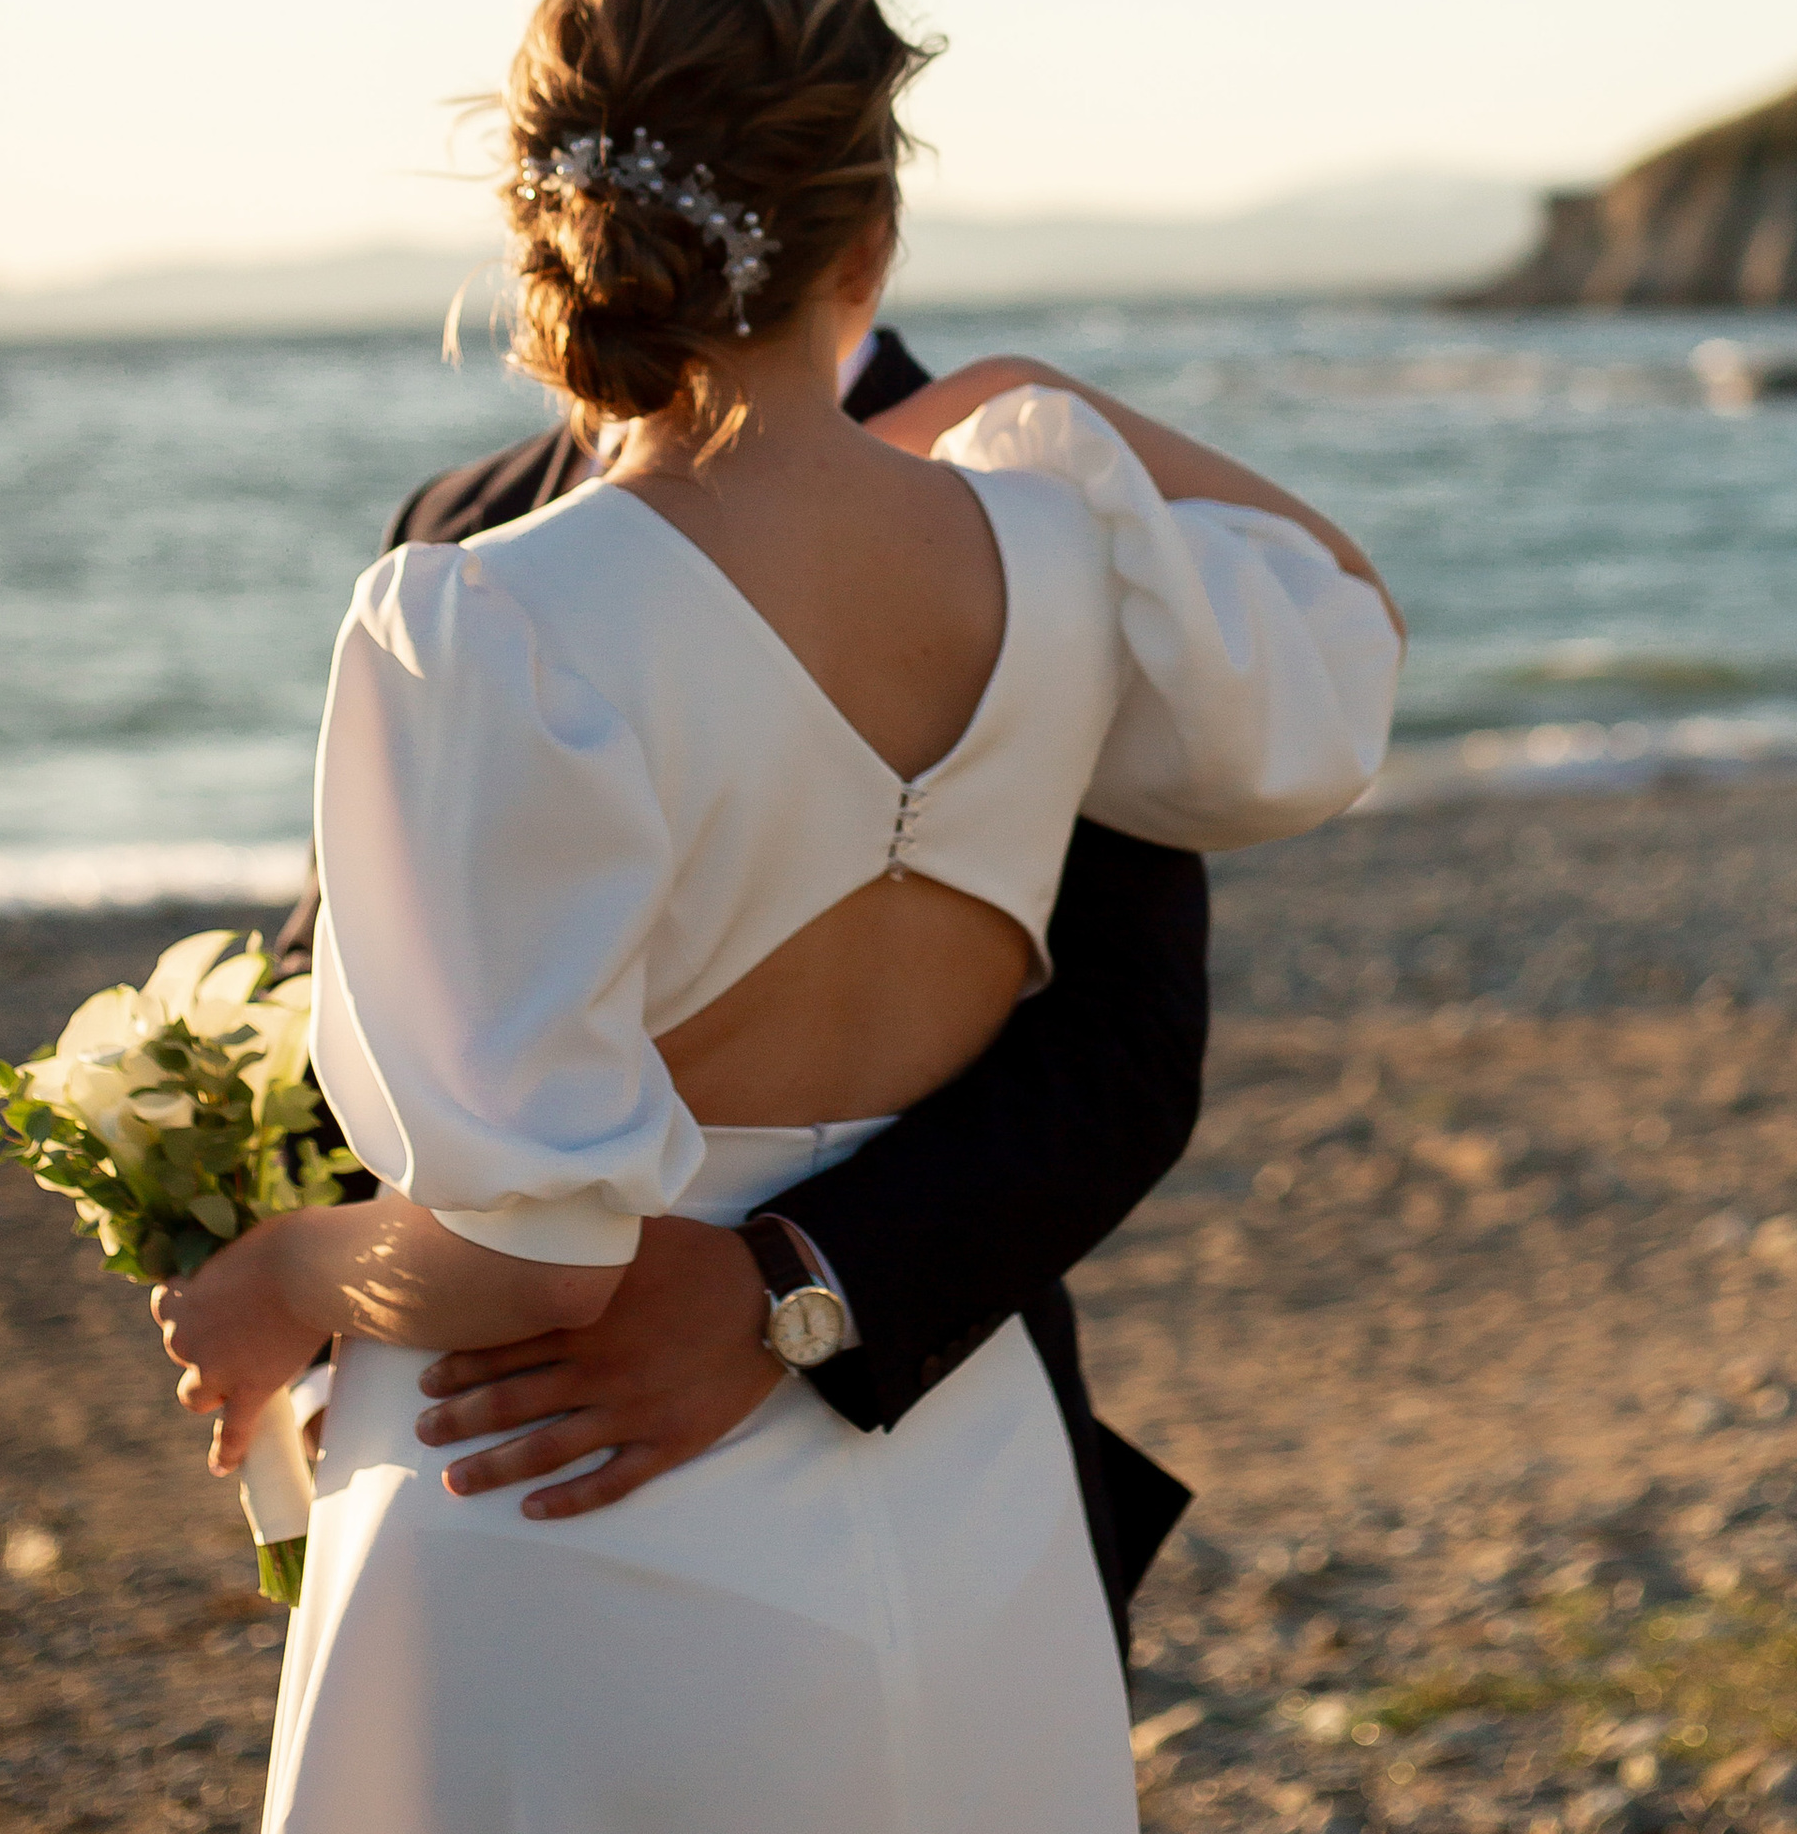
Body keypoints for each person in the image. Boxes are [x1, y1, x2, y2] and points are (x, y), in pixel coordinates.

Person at [153, 0, 1402, 1834]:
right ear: (869, 215)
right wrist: (1042, 409)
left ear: (536, 211)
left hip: (551, 1474)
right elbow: (1339, 622)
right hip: (950, 1492)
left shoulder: (470, 622)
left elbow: (550, 1239)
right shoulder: (1069, 558)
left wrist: (284, 1276)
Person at [276, 272, 1210, 1655]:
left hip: (914, 1404)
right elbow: (329, 976)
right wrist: (312, 1341)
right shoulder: (456, 527)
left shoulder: (1038, 519)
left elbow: (1123, 1042)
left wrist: (791, 1287)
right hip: (480, 1437)